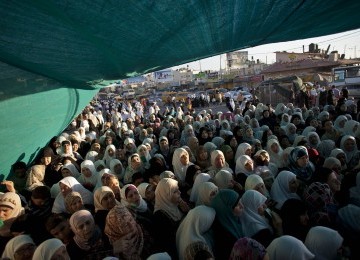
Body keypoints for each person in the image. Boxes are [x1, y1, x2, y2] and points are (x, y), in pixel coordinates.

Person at [210, 189, 244, 259]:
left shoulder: (235, 222)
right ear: (226, 209)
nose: (242, 206)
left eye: (241, 202)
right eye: (237, 205)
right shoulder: (224, 240)